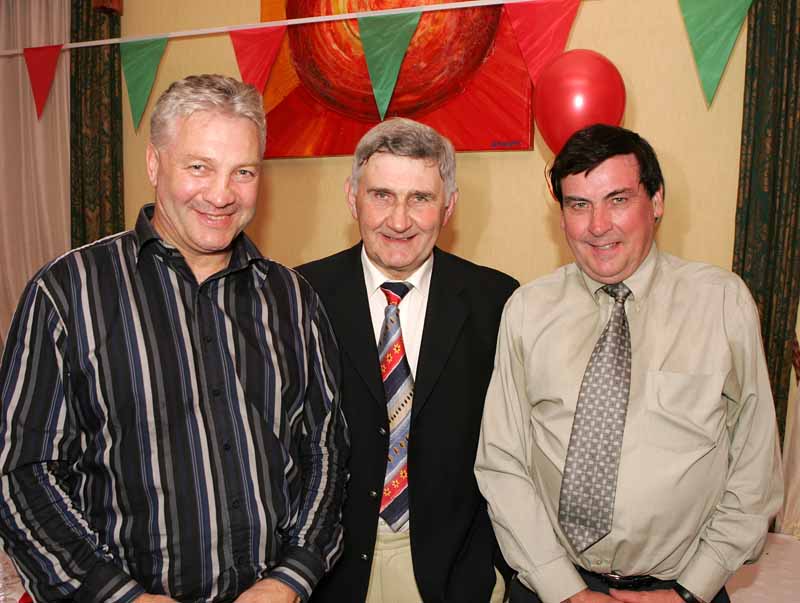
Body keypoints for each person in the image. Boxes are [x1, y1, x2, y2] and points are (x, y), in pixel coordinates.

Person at [0, 74, 348, 603]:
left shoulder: (293, 297)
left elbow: (325, 448)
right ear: (154, 164)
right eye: (199, 166)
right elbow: (21, 474)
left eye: (243, 171)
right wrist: (119, 596)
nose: (221, 194)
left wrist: (291, 578)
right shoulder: (67, 292)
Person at [475, 124, 783, 603]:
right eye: (579, 205)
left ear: (656, 201)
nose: (598, 225)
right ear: (561, 216)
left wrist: (689, 589)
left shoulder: (723, 304)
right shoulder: (527, 311)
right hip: (551, 587)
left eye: (617, 199)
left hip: (680, 590)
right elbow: (502, 464)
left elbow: (755, 464)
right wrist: (565, 590)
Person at [297, 118, 518, 603]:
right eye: (381, 196)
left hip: (456, 574)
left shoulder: (498, 301)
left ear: (449, 205)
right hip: (327, 573)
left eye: (419, 198)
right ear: (352, 197)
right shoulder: (298, 296)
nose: (399, 221)